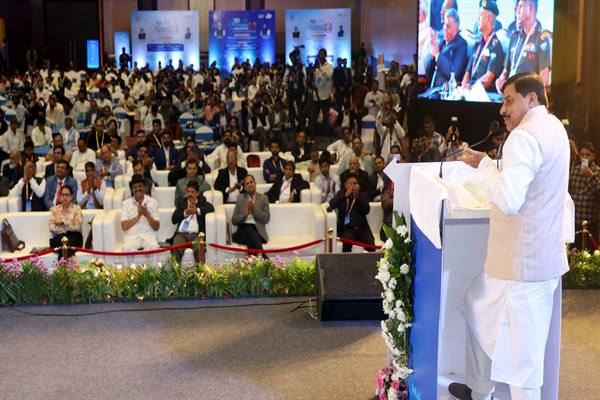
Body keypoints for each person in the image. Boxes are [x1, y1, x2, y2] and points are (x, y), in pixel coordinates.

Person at [449, 73, 572, 400]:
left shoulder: (523, 136)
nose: (502, 110)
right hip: (529, 261)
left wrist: (486, 167)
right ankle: (479, 388)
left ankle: (482, 389)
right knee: (475, 304)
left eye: (509, 101)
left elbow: (508, 199)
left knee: (523, 366)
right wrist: (487, 163)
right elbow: (529, 175)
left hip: (522, 269)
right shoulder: (554, 127)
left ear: (532, 99)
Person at [496, 0, 551, 92]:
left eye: (520, 6)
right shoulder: (514, 37)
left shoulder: (541, 38)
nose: (517, 11)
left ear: (530, 8)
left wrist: (528, 95)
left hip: (526, 95)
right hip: (509, 92)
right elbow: (505, 72)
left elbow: (544, 77)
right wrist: (500, 81)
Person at [462, 1, 505, 92]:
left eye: (481, 15)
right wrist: (464, 85)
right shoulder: (477, 44)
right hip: (470, 90)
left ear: (489, 19)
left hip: (483, 93)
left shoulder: (495, 46)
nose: (477, 19)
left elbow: (489, 77)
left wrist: (472, 89)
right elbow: (468, 72)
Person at [170, 180, 215, 264]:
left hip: (197, 235)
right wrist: (185, 213)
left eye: (192, 192)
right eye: (188, 192)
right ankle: (175, 272)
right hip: (182, 234)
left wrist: (196, 210)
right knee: (175, 249)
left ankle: (200, 271)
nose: (190, 194)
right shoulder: (182, 203)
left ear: (197, 193)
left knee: (200, 249)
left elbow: (211, 209)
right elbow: (173, 219)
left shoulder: (202, 202)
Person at [329, 173, 374, 252]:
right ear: (345, 185)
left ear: (358, 186)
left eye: (355, 183)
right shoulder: (341, 194)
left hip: (362, 228)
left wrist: (357, 196)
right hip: (347, 228)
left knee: (371, 244)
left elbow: (366, 210)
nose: (352, 185)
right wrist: (345, 195)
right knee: (347, 243)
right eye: (350, 183)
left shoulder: (363, 195)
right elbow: (332, 204)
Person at [425, 8, 468, 90]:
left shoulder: (461, 44)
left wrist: (437, 55)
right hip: (430, 88)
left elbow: (454, 73)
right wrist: (432, 56)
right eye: (444, 24)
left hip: (443, 90)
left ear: (456, 27)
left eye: (448, 26)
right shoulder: (441, 42)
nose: (444, 28)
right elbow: (429, 71)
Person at [569, 142, 600, 250]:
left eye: (588, 155)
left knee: (591, 252)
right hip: (575, 219)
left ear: (593, 156)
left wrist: (591, 176)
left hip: (591, 220)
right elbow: (570, 191)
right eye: (582, 154)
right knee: (574, 250)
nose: (585, 157)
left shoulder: (597, 171)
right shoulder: (574, 171)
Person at [231, 175, 270, 258]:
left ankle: (252, 262)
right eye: (247, 183)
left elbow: (266, 218)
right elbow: (233, 220)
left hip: (259, 233)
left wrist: (254, 209)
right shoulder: (240, 198)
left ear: (255, 183)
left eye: (251, 182)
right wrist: (245, 215)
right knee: (249, 228)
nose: (250, 185)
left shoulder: (263, 198)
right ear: (244, 187)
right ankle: (263, 256)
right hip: (242, 233)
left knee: (250, 238)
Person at [120, 174, 160, 251]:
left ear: (145, 187)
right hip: (131, 237)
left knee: (154, 247)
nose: (138, 189)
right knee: (126, 248)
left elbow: (157, 227)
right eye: (135, 187)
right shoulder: (126, 203)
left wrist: (146, 215)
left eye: (140, 186)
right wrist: (138, 215)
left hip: (149, 236)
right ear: (132, 189)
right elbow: (124, 226)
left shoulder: (153, 202)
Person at [48, 185, 83, 260]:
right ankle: (73, 261)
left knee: (64, 242)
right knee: (62, 240)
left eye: (67, 195)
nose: (64, 197)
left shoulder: (77, 209)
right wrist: (69, 225)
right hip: (58, 238)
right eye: (62, 194)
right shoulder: (55, 209)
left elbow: (77, 227)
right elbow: (51, 227)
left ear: (71, 197)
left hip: (74, 237)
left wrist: (62, 221)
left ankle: (62, 265)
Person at [312, 48, 334, 136]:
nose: (320, 56)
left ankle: (325, 134)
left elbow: (328, 75)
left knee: (325, 116)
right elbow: (316, 79)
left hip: (325, 95)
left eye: (322, 54)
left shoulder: (329, 66)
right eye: (319, 54)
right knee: (314, 115)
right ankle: (313, 135)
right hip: (316, 95)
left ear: (325, 55)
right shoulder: (316, 66)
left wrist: (320, 68)